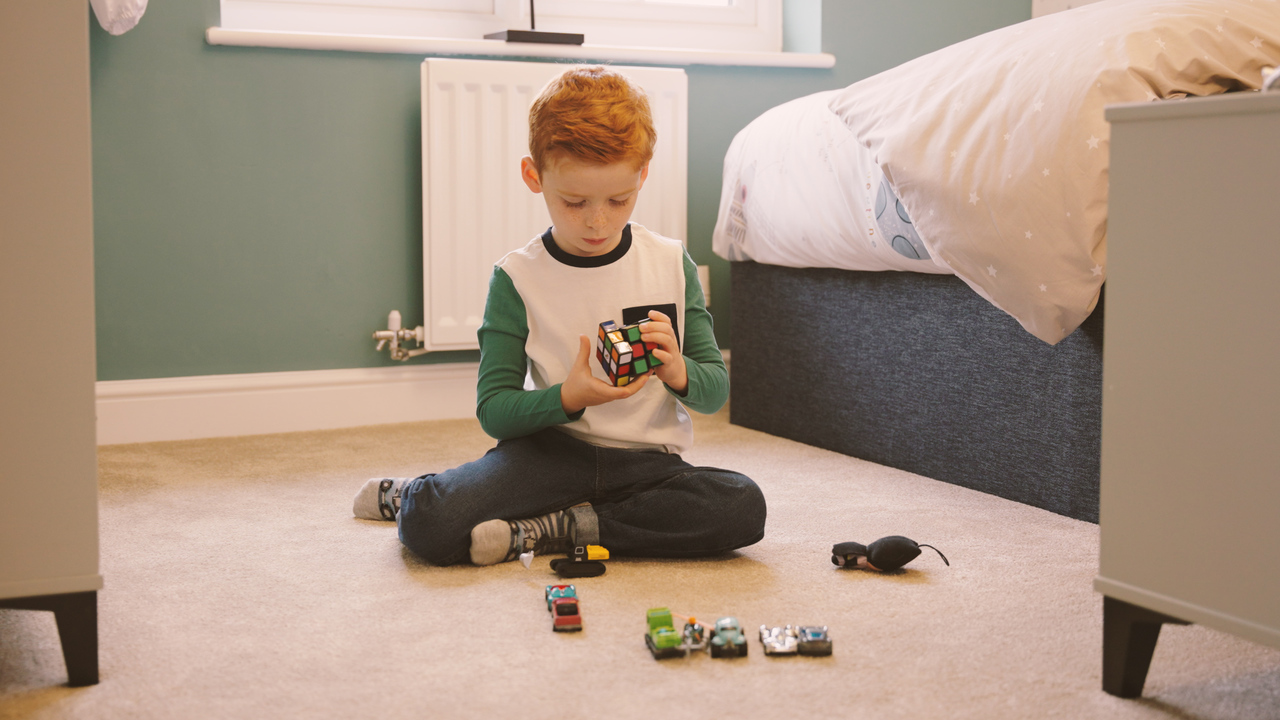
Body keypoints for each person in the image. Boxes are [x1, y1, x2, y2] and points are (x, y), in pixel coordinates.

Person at [352, 65, 766, 566]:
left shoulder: (669, 262)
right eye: (574, 201)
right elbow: (494, 409)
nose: (598, 220)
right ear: (534, 176)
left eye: (619, 199)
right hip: (549, 453)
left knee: (742, 506)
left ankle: (555, 529)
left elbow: (715, 389)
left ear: (643, 174)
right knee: (430, 523)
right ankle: (419, 492)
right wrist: (566, 398)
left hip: (647, 463)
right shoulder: (517, 278)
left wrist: (679, 371)